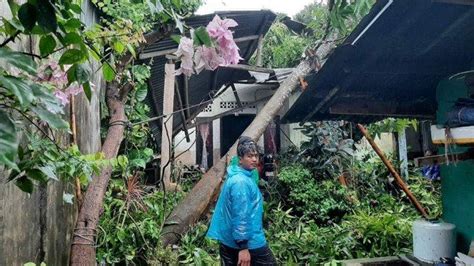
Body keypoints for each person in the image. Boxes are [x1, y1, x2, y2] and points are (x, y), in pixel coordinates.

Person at [207, 136, 277, 266]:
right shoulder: (241, 182)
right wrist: (243, 247)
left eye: (256, 155)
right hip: (248, 243)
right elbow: (241, 215)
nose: (255, 159)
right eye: (249, 156)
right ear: (240, 159)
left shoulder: (237, 175)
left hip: (230, 242)